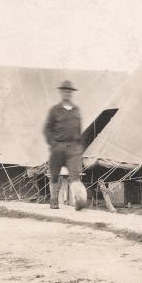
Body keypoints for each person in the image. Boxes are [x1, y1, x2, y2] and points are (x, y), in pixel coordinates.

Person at [43, 80, 84, 209]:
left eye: (69, 91)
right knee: (54, 175)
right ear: (61, 92)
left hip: (72, 147)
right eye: (65, 91)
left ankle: (79, 200)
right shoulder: (54, 110)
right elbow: (47, 128)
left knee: (75, 174)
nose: (67, 93)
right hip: (58, 147)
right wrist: (52, 143)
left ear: (72, 93)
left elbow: (79, 129)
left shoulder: (76, 110)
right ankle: (54, 199)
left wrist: (79, 145)